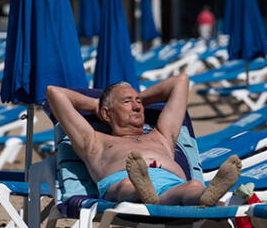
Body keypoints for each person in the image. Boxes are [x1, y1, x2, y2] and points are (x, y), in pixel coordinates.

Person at [46, 75, 241, 206]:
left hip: (171, 183)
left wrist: (136, 99)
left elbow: (181, 81)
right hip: (124, 183)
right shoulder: (94, 141)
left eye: (138, 102)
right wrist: (99, 105)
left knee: (193, 186)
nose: (137, 107)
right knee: (128, 186)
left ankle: (206, 196)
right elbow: (54, 93)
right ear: (106, 113)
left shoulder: (161, 135)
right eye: (127, 102)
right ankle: (144, 192)